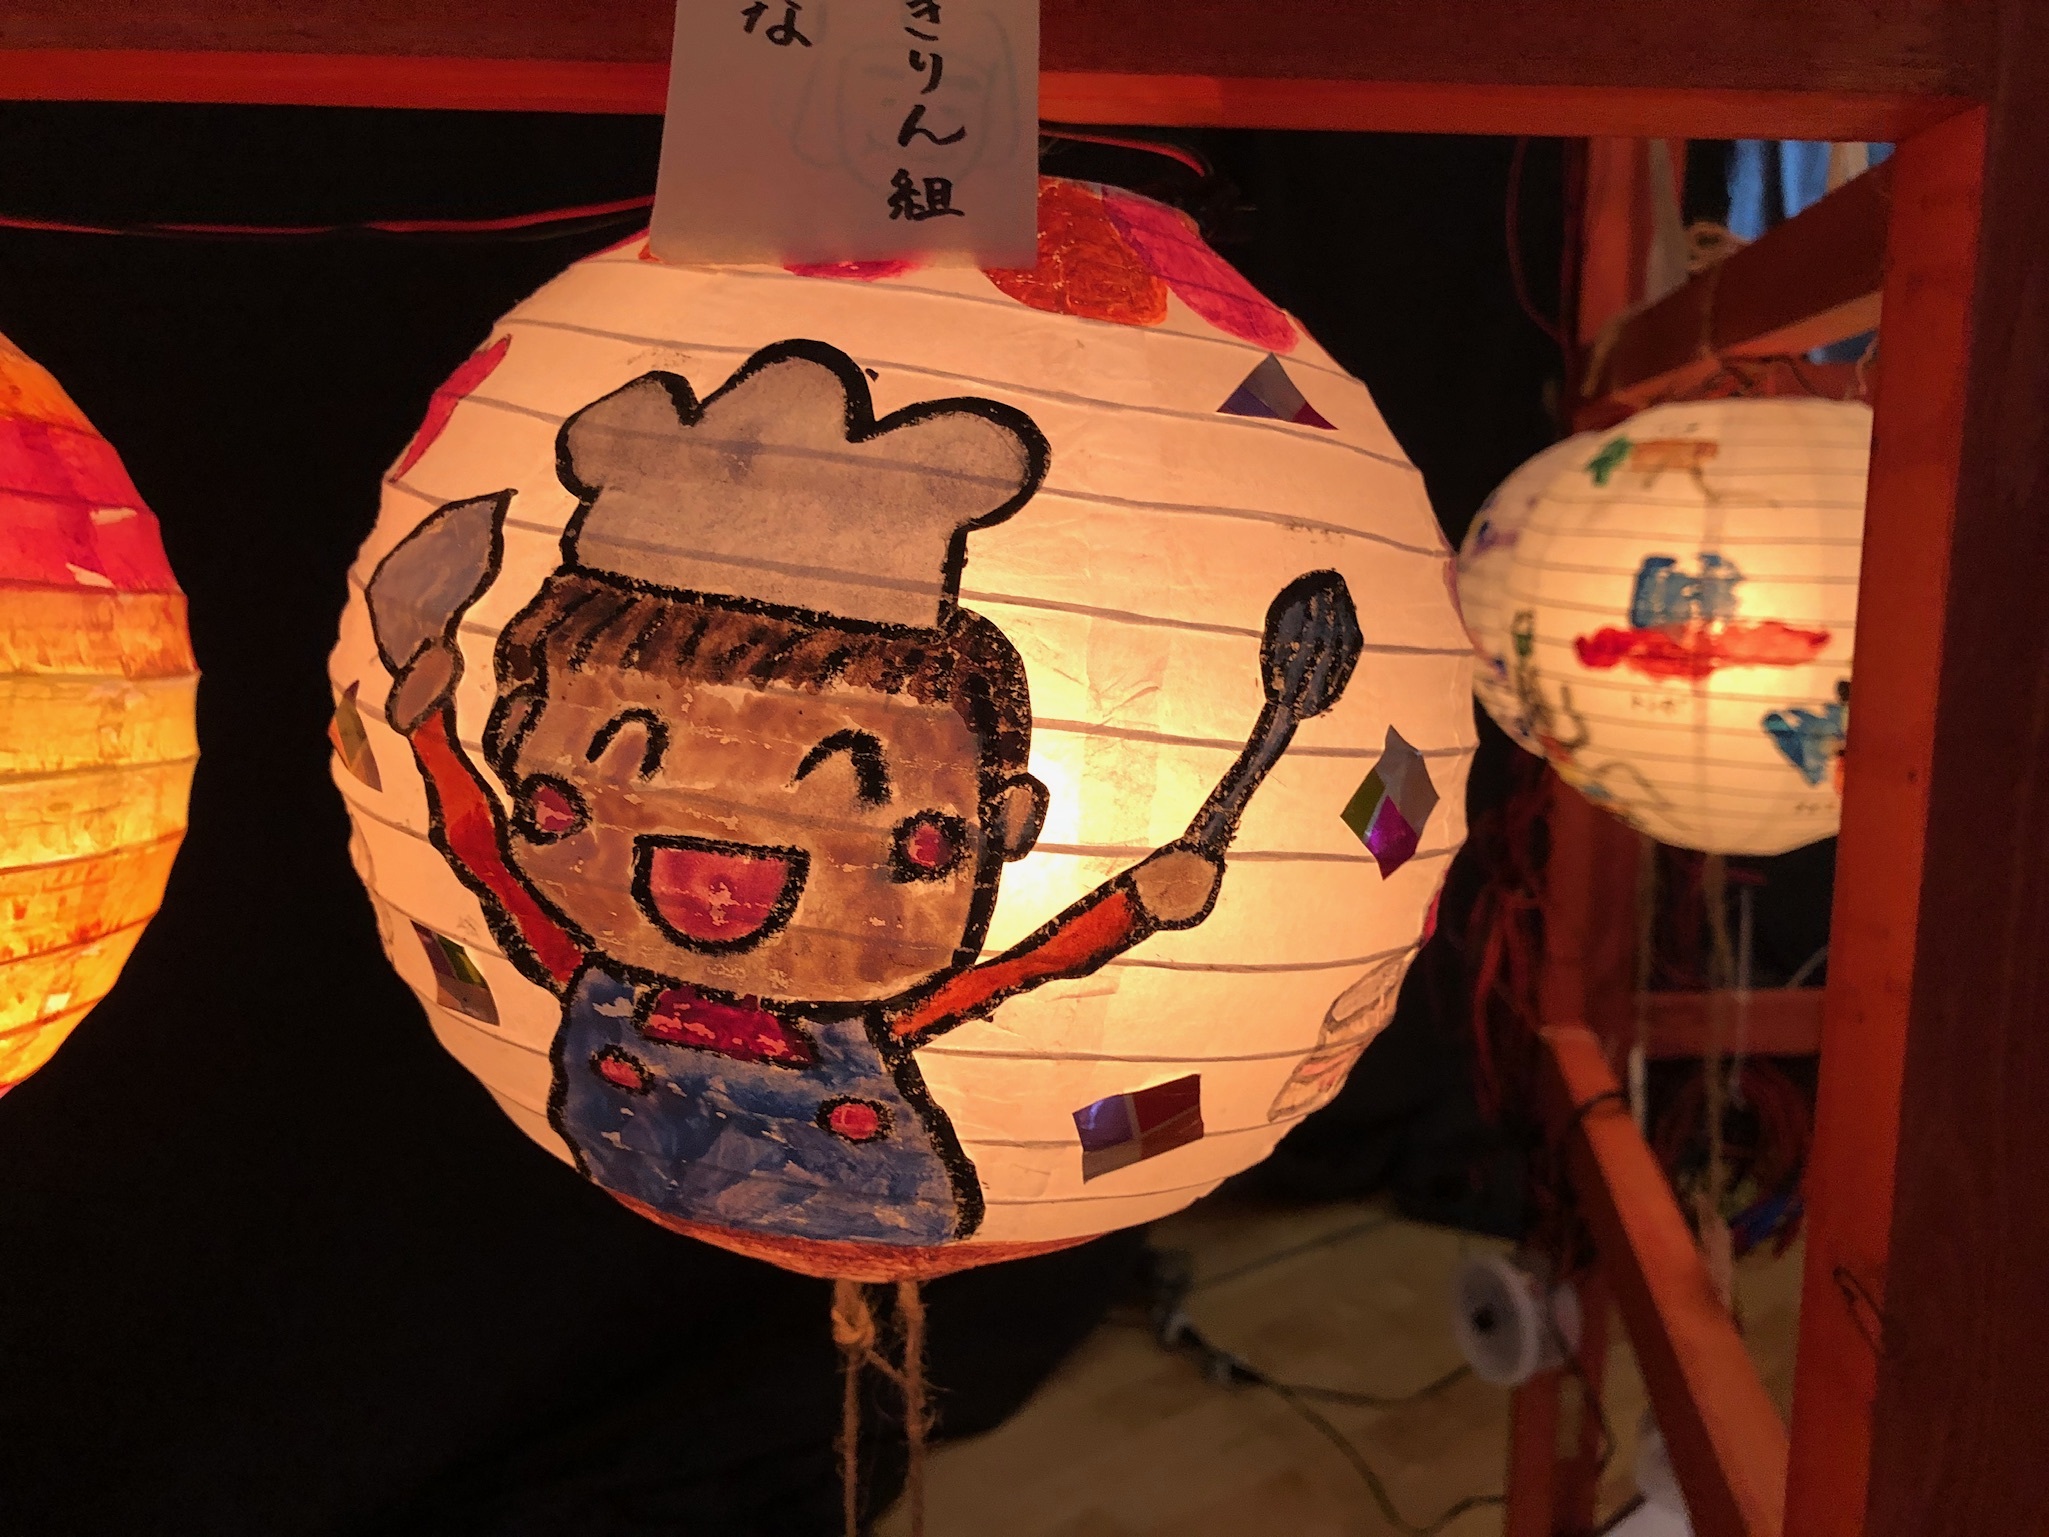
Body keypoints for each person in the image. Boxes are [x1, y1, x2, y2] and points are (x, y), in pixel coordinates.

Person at [366, 338, 1354, 1271]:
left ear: (1005, 826)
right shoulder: (598, 977)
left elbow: (1027, 966)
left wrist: (1141, 903)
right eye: (570, 800)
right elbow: (481, 856)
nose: (714, 873)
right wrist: (427, 736)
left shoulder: (798, 1017)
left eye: (905, 842)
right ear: (520, 745)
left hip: (879, 1209)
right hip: (637, 1166)